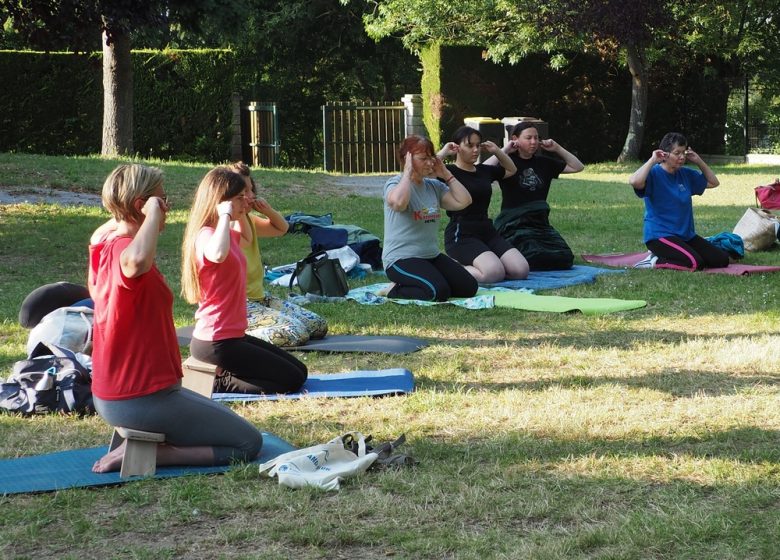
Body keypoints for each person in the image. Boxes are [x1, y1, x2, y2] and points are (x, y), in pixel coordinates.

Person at [88, 164, 262, 473]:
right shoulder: (125, 253)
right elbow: (136, 261)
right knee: (248, 443)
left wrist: (133, 211)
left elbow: (104, 233)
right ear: (143, 206)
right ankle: (155, 453)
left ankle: (147, 441)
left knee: (230, 423)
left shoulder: (104, 245)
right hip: (140, 399)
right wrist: (152, 214)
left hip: (138, 394)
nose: (166, 206)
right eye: (161, 199)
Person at [181, 166, 308, 394]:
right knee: (290, 382)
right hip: (216, 341)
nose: (246, 201)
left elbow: (257, 234)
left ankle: (225, 372)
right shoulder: (205, 236)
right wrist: (225, 214)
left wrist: (243, 212)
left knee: (300, 372)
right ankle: (217, 382)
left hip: (234, 335)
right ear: (221, 202)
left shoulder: (227, 233)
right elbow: (217, 254)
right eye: (240, 198)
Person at [227, 162, 328, 347]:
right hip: (240, 305)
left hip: (260, 298)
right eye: (243, 194)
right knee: (295, 333)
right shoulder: (226, 226)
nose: (251, 196)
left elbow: (282, 228)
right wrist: (238, 210)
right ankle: (237, 334)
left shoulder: (249, 219)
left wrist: (267, 210)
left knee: (317, 326)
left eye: (251, 190)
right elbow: (244, 240)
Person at [382, 135, 478, 301]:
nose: (430, 162)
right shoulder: (394, 184)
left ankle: (425, 281)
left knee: (469, 287)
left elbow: (464, 201)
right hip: (400, 259)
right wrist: (407, 173)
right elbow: (398, 203)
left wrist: (446, 174)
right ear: (408, 159)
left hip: (430, 256)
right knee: (437, 292)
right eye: (423, 159)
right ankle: (392, 290)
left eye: (431, 158)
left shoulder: (433, 186)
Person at [437, 126, 529, 283]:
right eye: (470, 145)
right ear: (457, 147)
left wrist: (497, 151)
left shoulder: (484, 170)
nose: (475, 150)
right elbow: (423, 169)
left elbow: (512, 169)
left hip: (487, 230)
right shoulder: (448, 172)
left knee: (520, 270)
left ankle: (485, 262)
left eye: (478, 145)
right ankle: (448, 268)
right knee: (493, 274)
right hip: (462, 234)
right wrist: (445, 151)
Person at [488, 122, 585, 270]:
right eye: (528, 138)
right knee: (532, 256)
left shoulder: (544, 163)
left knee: (563, 258)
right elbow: (482, 171)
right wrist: (504, 151)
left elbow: (578, 167)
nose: (533, 142)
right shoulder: (507, 163)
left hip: (539, 224)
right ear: (515, 138)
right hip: (514, 224)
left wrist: (557, 148)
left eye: (536, 138)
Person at [628, 132, 729, 270]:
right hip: (660, 236)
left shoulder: (686, 174)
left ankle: (671, 254)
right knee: (695, 263)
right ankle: (653, 261)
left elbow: (713, 182)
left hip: (685, 235)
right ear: (665, 154)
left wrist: (698, 160)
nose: (682, 157)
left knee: (721, 259)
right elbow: (634, 181)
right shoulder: (654, 174)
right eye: (677, 153)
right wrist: (652, 160)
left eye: (684, 152)